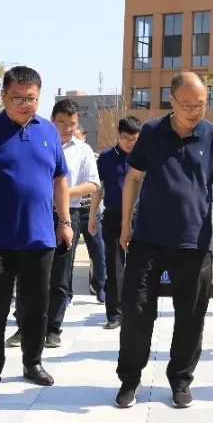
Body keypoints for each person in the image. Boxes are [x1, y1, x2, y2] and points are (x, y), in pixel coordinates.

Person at [115, 72, 213, 409]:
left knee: (191, 316)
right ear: (172, 101)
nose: (195, 111)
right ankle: (130, 380)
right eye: (187, 105)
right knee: (137, 311)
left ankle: (181, 380)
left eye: (201, 105)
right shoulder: (152, 132)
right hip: (148, 238)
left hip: (194, 242)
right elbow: (133, 178)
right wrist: (125, 224)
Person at [0, 66, 74, 409]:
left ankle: (32, 362)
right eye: (17, 98)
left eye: (31, 99)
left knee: (36, 307)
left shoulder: (48, 131)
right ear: (3, 96)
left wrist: (65, 221)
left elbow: (60, 181)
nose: (25, 105)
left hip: (40, 238)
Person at [4, 99, 99, 349]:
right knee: (29, 273)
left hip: (68, 216)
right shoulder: (35, 142)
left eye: (72, 123)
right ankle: (24, 328)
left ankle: (53, 329)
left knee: (60, 275)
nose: (67, 128)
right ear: (52, 120)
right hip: (35, 214)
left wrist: (62, 193)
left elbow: (93, 184)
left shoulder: (83, 150)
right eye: (62, 122)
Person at [88, 115, 142, 329]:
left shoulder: (145, 157)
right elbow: (98, 188)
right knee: (114, 267)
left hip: (139, 218)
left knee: (139, 266)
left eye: (135, 139)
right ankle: (115, 314)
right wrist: (92, 215)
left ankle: (136, 310)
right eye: (126, 138)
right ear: (118, 135)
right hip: (113, 217)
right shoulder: (106, 158)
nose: (130, 143)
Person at [74, 124, 108, 303]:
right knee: (66, 254)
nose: (74, 140)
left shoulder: (94, 158)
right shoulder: (63, 156)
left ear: (84, 136)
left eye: (77, 136)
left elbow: (99, 186)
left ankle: (101, 286)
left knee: (98, 252)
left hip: (90, 211)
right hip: (70, 211)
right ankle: (66, 292)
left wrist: (96, 211)